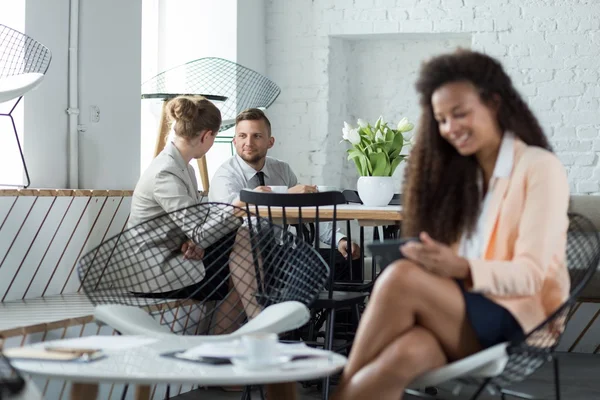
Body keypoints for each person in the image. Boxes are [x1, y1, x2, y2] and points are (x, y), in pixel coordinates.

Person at [331, 49, 570, 400]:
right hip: (457, 310)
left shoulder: (538, 167)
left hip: (521, 318)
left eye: (459, 114)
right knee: (402, 357)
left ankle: (338, 388)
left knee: (399, 278)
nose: (450, 128)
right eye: (442, 120)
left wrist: (460, 266)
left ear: (494, 103)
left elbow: (531, 275)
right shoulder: (464, 177)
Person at [128, 95, 261, 334]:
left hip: (176, 255)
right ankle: (257, 327)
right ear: (206, 136)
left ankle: (231, 339)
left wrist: (195, 241)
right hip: (154, 272)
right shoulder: (166, 173)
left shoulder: (183, 166)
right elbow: (199, 230)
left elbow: (196, 226)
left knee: (243, 261)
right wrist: (238, 207)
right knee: (245, 253)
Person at [209, 108, 362, 279]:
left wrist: (339, 240)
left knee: (348, 259)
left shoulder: (281, 169)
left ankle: (342, 307)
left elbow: (308, 211)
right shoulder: (226, 177)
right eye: (243, 136)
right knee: (305, 267)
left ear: (270, 142)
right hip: (243, 257)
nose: (249, 142)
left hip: (280, 252)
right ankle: (303, 305)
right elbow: (239, 224)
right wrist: (286, 196)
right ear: (234, 141)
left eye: (257, 136)